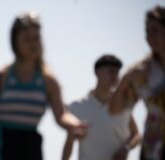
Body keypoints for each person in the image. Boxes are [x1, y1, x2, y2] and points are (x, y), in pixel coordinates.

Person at [0, 11, 87, 160]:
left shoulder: (48, 81)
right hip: (0, 148)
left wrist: (75, 124)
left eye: (36, 38)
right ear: (15, 41)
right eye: (27, 39)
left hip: (30, 148)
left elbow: (61, 115)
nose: (32, 44)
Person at [108, 6, 165, 160]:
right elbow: (114, 109)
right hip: (154, 148)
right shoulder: (143, 70)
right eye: (147, 31)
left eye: (155, 30)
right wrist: (126, 77)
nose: (150, 37)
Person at [62, 55, 141, 160]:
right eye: (111, 71)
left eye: (117, 72)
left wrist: (126, 148)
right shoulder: (77, 107)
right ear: (97, 72)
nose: (115, 75)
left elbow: (136, 134)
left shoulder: (124, 105)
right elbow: (69, 143)